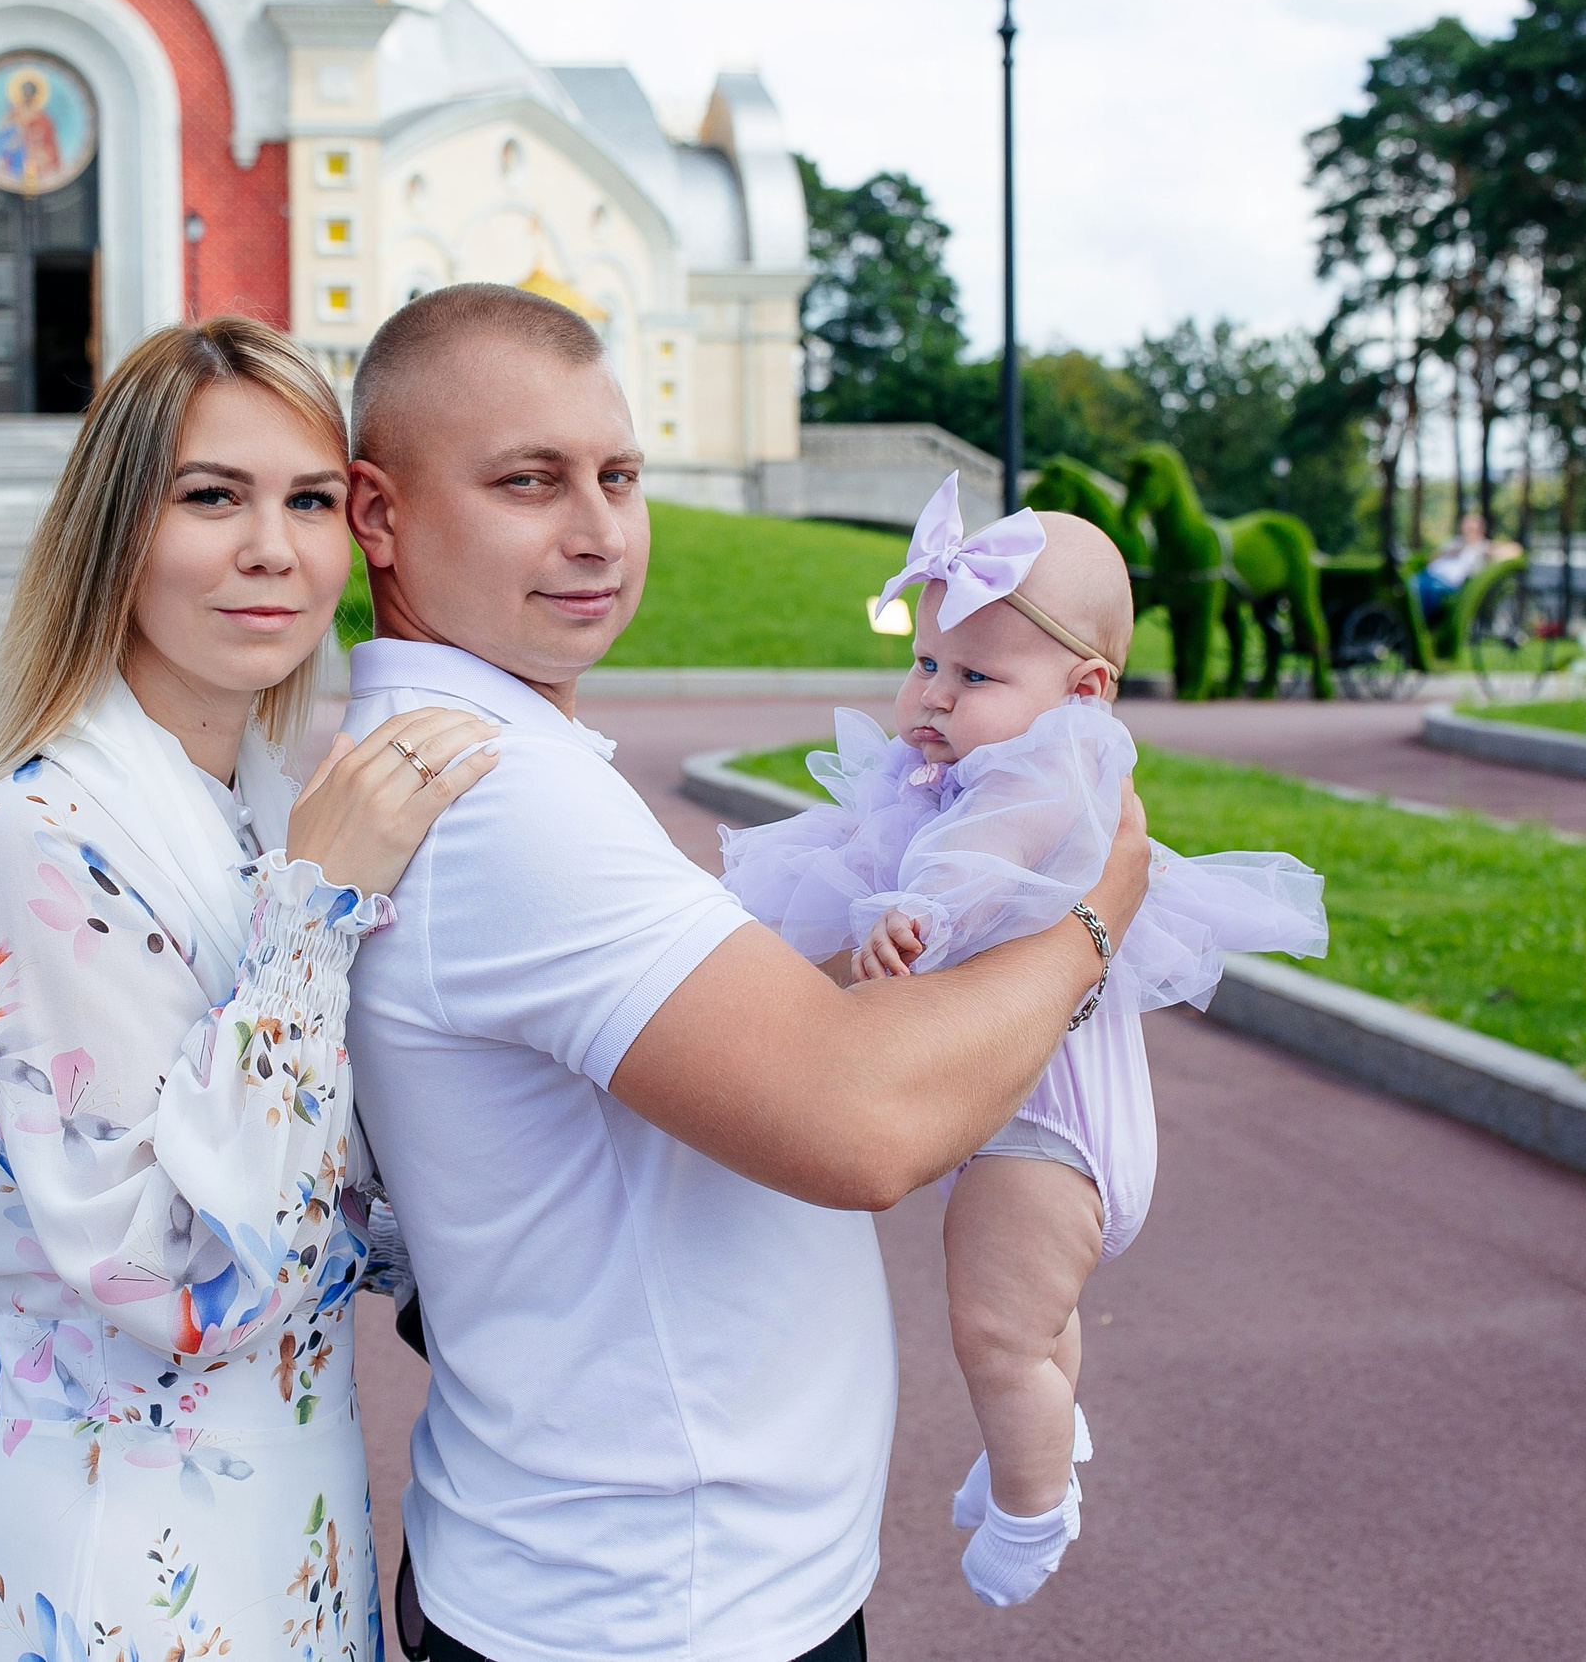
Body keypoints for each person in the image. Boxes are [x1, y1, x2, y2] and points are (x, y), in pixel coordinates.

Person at [334, 283, 1155, 1662]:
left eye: (619, 474)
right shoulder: (492, 799)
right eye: (527, 481)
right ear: (380, 514)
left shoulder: (483, 760)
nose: (596, 528)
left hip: (640, 1572)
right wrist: (1098, 908)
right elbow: (863, 1122)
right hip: (655, 1604)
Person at [0, 316, 500, 1660]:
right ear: (116, 531)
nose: (272, 548)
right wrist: (314, 917)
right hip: (126, 1575)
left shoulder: (253, 813)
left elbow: (344, 1198)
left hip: (285, 1538)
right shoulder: (41, 840)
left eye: (309, 499)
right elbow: (171, 1280)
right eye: (211, 496)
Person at [720, 474, 1328, 1606]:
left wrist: (919, 914)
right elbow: (853, 859)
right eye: (927, 664)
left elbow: (986, 854)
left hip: (1045, 1124)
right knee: (1035, 1327)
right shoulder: (951, 771)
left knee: (993, 1332)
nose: (934, 697)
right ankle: (1051, 1436)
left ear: (1084, 689)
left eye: (977, 675)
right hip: (1038, 1103)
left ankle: (1029, 1510)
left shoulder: (1058, 762)